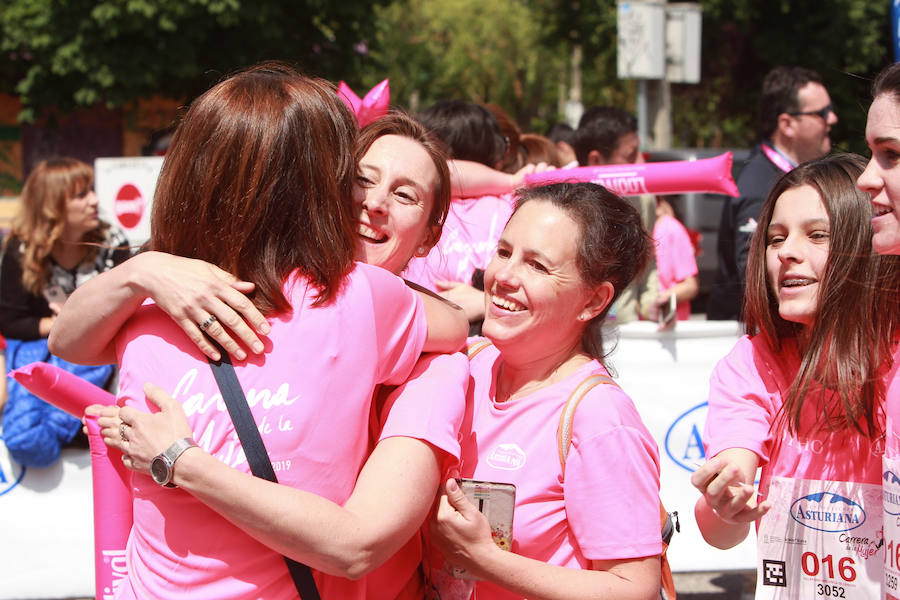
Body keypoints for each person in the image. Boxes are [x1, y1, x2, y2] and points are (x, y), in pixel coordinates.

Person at [49, 63, 467, 600]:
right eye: (356, 178)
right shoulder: (360, 299)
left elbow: (69, 341)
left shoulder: (144, 305)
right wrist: (142, 270)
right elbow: (454, 326)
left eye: (405, 195)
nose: (370, 202)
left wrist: (142, 272)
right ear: (316, 188)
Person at [430, 182, 663, 600]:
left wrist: (487, 559)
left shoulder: (601, 419)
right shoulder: (462, 362)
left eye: (537, 265)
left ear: (594, 301)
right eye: (504, 252)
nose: (502, 277)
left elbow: (633, 589)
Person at [691, 154, 900, 596]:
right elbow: (720, 530)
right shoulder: (749, 362)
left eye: (817, 235)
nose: (785, 252)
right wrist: (727, 501)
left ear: (868, 245)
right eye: (775, 238)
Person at [0, 157, 130, 466]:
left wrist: (86, 326)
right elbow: (9, 321)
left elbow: (131, 312)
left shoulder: (112, 242)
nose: (94, 200)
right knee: (27, 432)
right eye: (81, 194)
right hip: (44, 359)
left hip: (101, 358)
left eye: (92, 190)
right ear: (52, 206)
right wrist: (59, 325)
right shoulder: (22, 247)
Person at [707, 66, 838, 320]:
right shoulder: (760, 186)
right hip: (751, 338)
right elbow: (754, 280)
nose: (832, 119)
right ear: (787, 124)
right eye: (821, 113)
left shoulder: (777, 177)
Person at [573, 106, 658, 324]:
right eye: (630, 156)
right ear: (595, 160)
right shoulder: (558, 204)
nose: (641, 163)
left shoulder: (643, 199)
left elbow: (647, 263)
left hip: (627, 334)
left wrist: (651, 305)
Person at [652, 198, 698, 321]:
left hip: (669, 327)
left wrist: (658, 300)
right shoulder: (635, 230)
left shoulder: (672, 229)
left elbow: (690, 286)